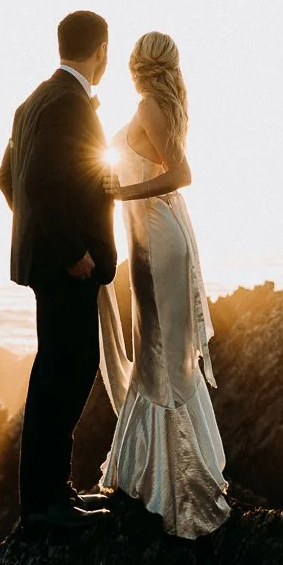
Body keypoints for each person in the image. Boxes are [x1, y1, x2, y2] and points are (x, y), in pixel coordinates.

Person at [96, 31, 230, 538]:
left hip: (156, 239)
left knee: (159, 355)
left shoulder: (152, 105)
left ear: (137, 65)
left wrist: (124, 190)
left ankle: (176, 488)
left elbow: (183, 173)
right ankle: (144, 473)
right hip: (148, 240)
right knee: (155, 352)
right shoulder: (155, 105)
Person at [0, 10, 119, 529]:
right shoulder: (70, 104)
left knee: (57, 372)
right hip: (67, 267)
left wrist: (37, 238)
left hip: (47, 262)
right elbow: (39, 185)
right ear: (102, 51)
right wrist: (70, 251)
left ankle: (50, 495)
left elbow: (9, 180)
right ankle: (46, 505)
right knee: (66, 373)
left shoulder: (32, 103)